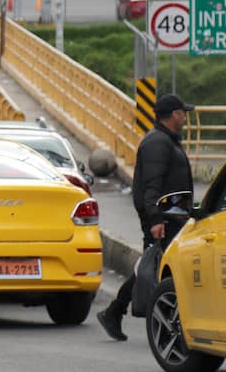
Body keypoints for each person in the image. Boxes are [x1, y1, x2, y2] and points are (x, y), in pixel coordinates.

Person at [96, 93, 196, 342]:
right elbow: (151, 186)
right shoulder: (157, 143)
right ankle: (120, 312)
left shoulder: (166, 140)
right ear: (174, 115)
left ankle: (117, 312)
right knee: (154, 268)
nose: (185, 117)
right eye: (183, 113)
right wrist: (155, 220)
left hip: (172, 216)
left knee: (152, 267)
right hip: (163, 219)